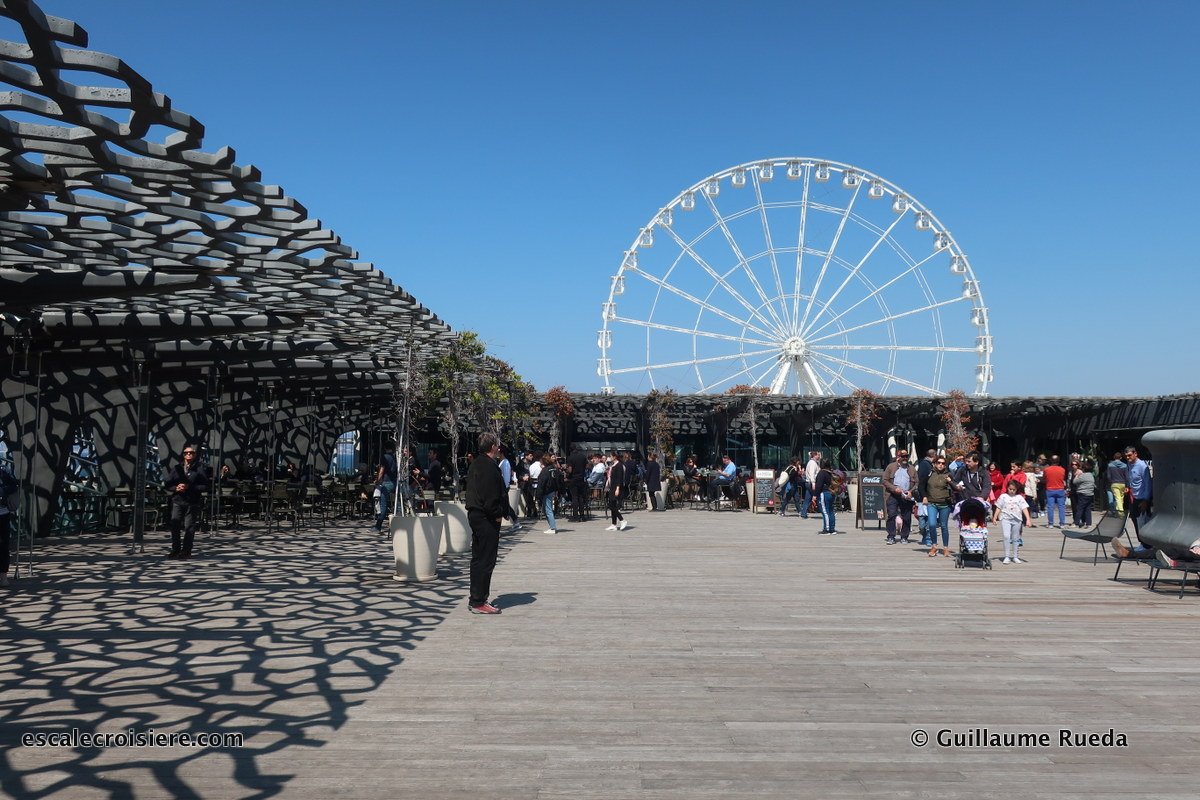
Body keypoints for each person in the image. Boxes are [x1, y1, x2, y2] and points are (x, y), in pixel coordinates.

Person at [464, 433, 507, 614]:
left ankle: (476, 598)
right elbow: (489, 495)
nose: (499, 448)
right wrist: (497, 514)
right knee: (486, 560)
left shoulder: (477, 464)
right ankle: (479, 600)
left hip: (477, 515)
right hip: (486, 517)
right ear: (492, 447)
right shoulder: (488, 466)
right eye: (497, 445)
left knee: (478, 558)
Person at [165, 445, 210, 559]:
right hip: (178, 500)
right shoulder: (176, 468)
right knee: (175, 525)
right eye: (186, 453)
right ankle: (176, 549)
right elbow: (168, 484)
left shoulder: (199, 469)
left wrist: (190, 487)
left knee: (189, 526)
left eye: (191, 453)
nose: (188, 454)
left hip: (192, 501)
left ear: (195, 455)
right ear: (183, 455)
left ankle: (186, 551)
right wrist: (176, 488)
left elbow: (206, 486)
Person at [882, 450, 919, 545]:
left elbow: (917, 482)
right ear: (898, 457)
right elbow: (885, 481)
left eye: (906, 456)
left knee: (906, 517)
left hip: (906, 495)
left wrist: (911, 492)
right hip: (892, 495)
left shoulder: (912, 469)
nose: (905, 458)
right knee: (891, 515)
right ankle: (891, 536)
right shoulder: (891, 467)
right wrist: (894, 489)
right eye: (903, 456)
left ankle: (904, 536)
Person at [993, 479, 1032, 564]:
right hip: (1005, 518)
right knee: (1006, 536)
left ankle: (1015, 556)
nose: (1012, 491)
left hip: (1017, 519)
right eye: (1010, 489)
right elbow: (998, 507)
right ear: (1007, 488)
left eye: (1014, 490)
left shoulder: (1019, 497)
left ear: (1016, 490)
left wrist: (1028, 519)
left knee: (1015, 538)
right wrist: (995, 517)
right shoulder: (1003, 496)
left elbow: (1024, 508)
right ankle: (1007, 556)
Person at [924, 455, 955, 557]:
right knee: (932, 524)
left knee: (944, 526)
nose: (940, 465)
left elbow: (956, 487)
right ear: (935, 464)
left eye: (943, 463)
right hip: (932, 503)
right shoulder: (930, 473)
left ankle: (945, 548)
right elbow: (921, 485)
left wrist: (950, 481)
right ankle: (934, 546)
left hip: (944, 504)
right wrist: (924, 497)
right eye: (938, 463)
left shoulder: (949, 474)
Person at [1125, 446, 1153, 540]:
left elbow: (1148, 483)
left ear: (1135, 454)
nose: (1128, 458)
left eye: (1129, 455)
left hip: (1142, 498)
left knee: (1143, 521)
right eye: (1126, 456)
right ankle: (1141, 542)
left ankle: (1146, 543)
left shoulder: (1142, 466)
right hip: (1135, 497)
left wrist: (1146, 500)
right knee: (1134, 519)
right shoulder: (1129, 465)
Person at [535, 453, 563, 534]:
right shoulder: (554, 469)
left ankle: (552, 527)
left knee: (548, 509)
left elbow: (541, 483)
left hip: (546, 491)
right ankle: (552, 526)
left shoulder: (545, 470)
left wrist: (538, 494)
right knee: (547, 508)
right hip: (552, 490)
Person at [374, 440, 398, 533]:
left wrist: (378, 480)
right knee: (396, 504)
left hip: (386, 482)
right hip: (394, 482)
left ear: (384, 448)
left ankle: (378, 526)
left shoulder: (384, 457)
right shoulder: (395, 458)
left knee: (383, 505)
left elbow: (382, 469)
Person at [0, 463, 18, 585]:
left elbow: (13, 486)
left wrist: (2, 490)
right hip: (3, 513)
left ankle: (3, 576)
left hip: (2, 513)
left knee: (3, 545)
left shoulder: (3, 470)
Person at [564, 444, 590, 523]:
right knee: (581, 497)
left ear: (570, 450)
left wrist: (566, 470)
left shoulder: (570, 457)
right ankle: (582, 515)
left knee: (574, 497)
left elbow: (570, 470)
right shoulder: (582, 456)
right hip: (581, 478)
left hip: (573, 479)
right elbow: (587, 466)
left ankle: (575, 516)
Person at [1041, 455, 1068, 529]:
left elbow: (1044, 478)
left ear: (1050, 461)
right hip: (1060, 489)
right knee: (1061, 507)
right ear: (1058, 461)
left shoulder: (1046, 469)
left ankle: (1050, 524)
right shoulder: (1062, 469)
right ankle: (1062, 524)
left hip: (1050, 489)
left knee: (1050, 507)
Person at [916, 449, 936, 545]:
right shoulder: (925, 465)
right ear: (934, 456)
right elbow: (921, 481)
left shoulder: (932, 466)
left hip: (932, 497)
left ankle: (928, 538)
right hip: (923, 495)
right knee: (922, 522)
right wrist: (923, 495)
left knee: (929, 519)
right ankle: (924, 534)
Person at [605, 451, 627, 531]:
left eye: (611, 456)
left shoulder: (619, 465)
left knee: (611, 505)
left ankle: (622, 520)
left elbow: (619, 478)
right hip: (612, 487)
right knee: (612, 505)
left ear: (614, 457)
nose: (610, 457)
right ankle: (613, 524)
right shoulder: (613, 465)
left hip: (616, 487)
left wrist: (617, 488)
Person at [814, 458, 837, 534]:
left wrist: (815, 495)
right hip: (832, 493)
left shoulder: (822, 473)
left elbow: (819, 485)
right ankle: (832, 528)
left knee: (825, 511)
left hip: (824, 493)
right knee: (830, 511)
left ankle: (826, 529)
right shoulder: (830, 472)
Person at [1072, 460, 1096, 527]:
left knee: (1079, 508)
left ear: (1084, 469)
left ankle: (1076, 523)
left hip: (1083, 494)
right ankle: (1088, 523)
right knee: (1087, 508)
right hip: (1090, 494)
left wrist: (1077, 476)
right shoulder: (1091, 475)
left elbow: (1075, 482)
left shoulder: (1083, 476)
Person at [803, 451, 821, 519]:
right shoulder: (813, 463)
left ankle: (803, 513)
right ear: (815, 456)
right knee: (817, 497)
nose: (819, 456)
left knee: (807, 498)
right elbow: (812, 473)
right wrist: (813, 483)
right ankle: (823, 510)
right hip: (811, 482)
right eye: (818, 455)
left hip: (808, 482)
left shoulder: (812, 462)